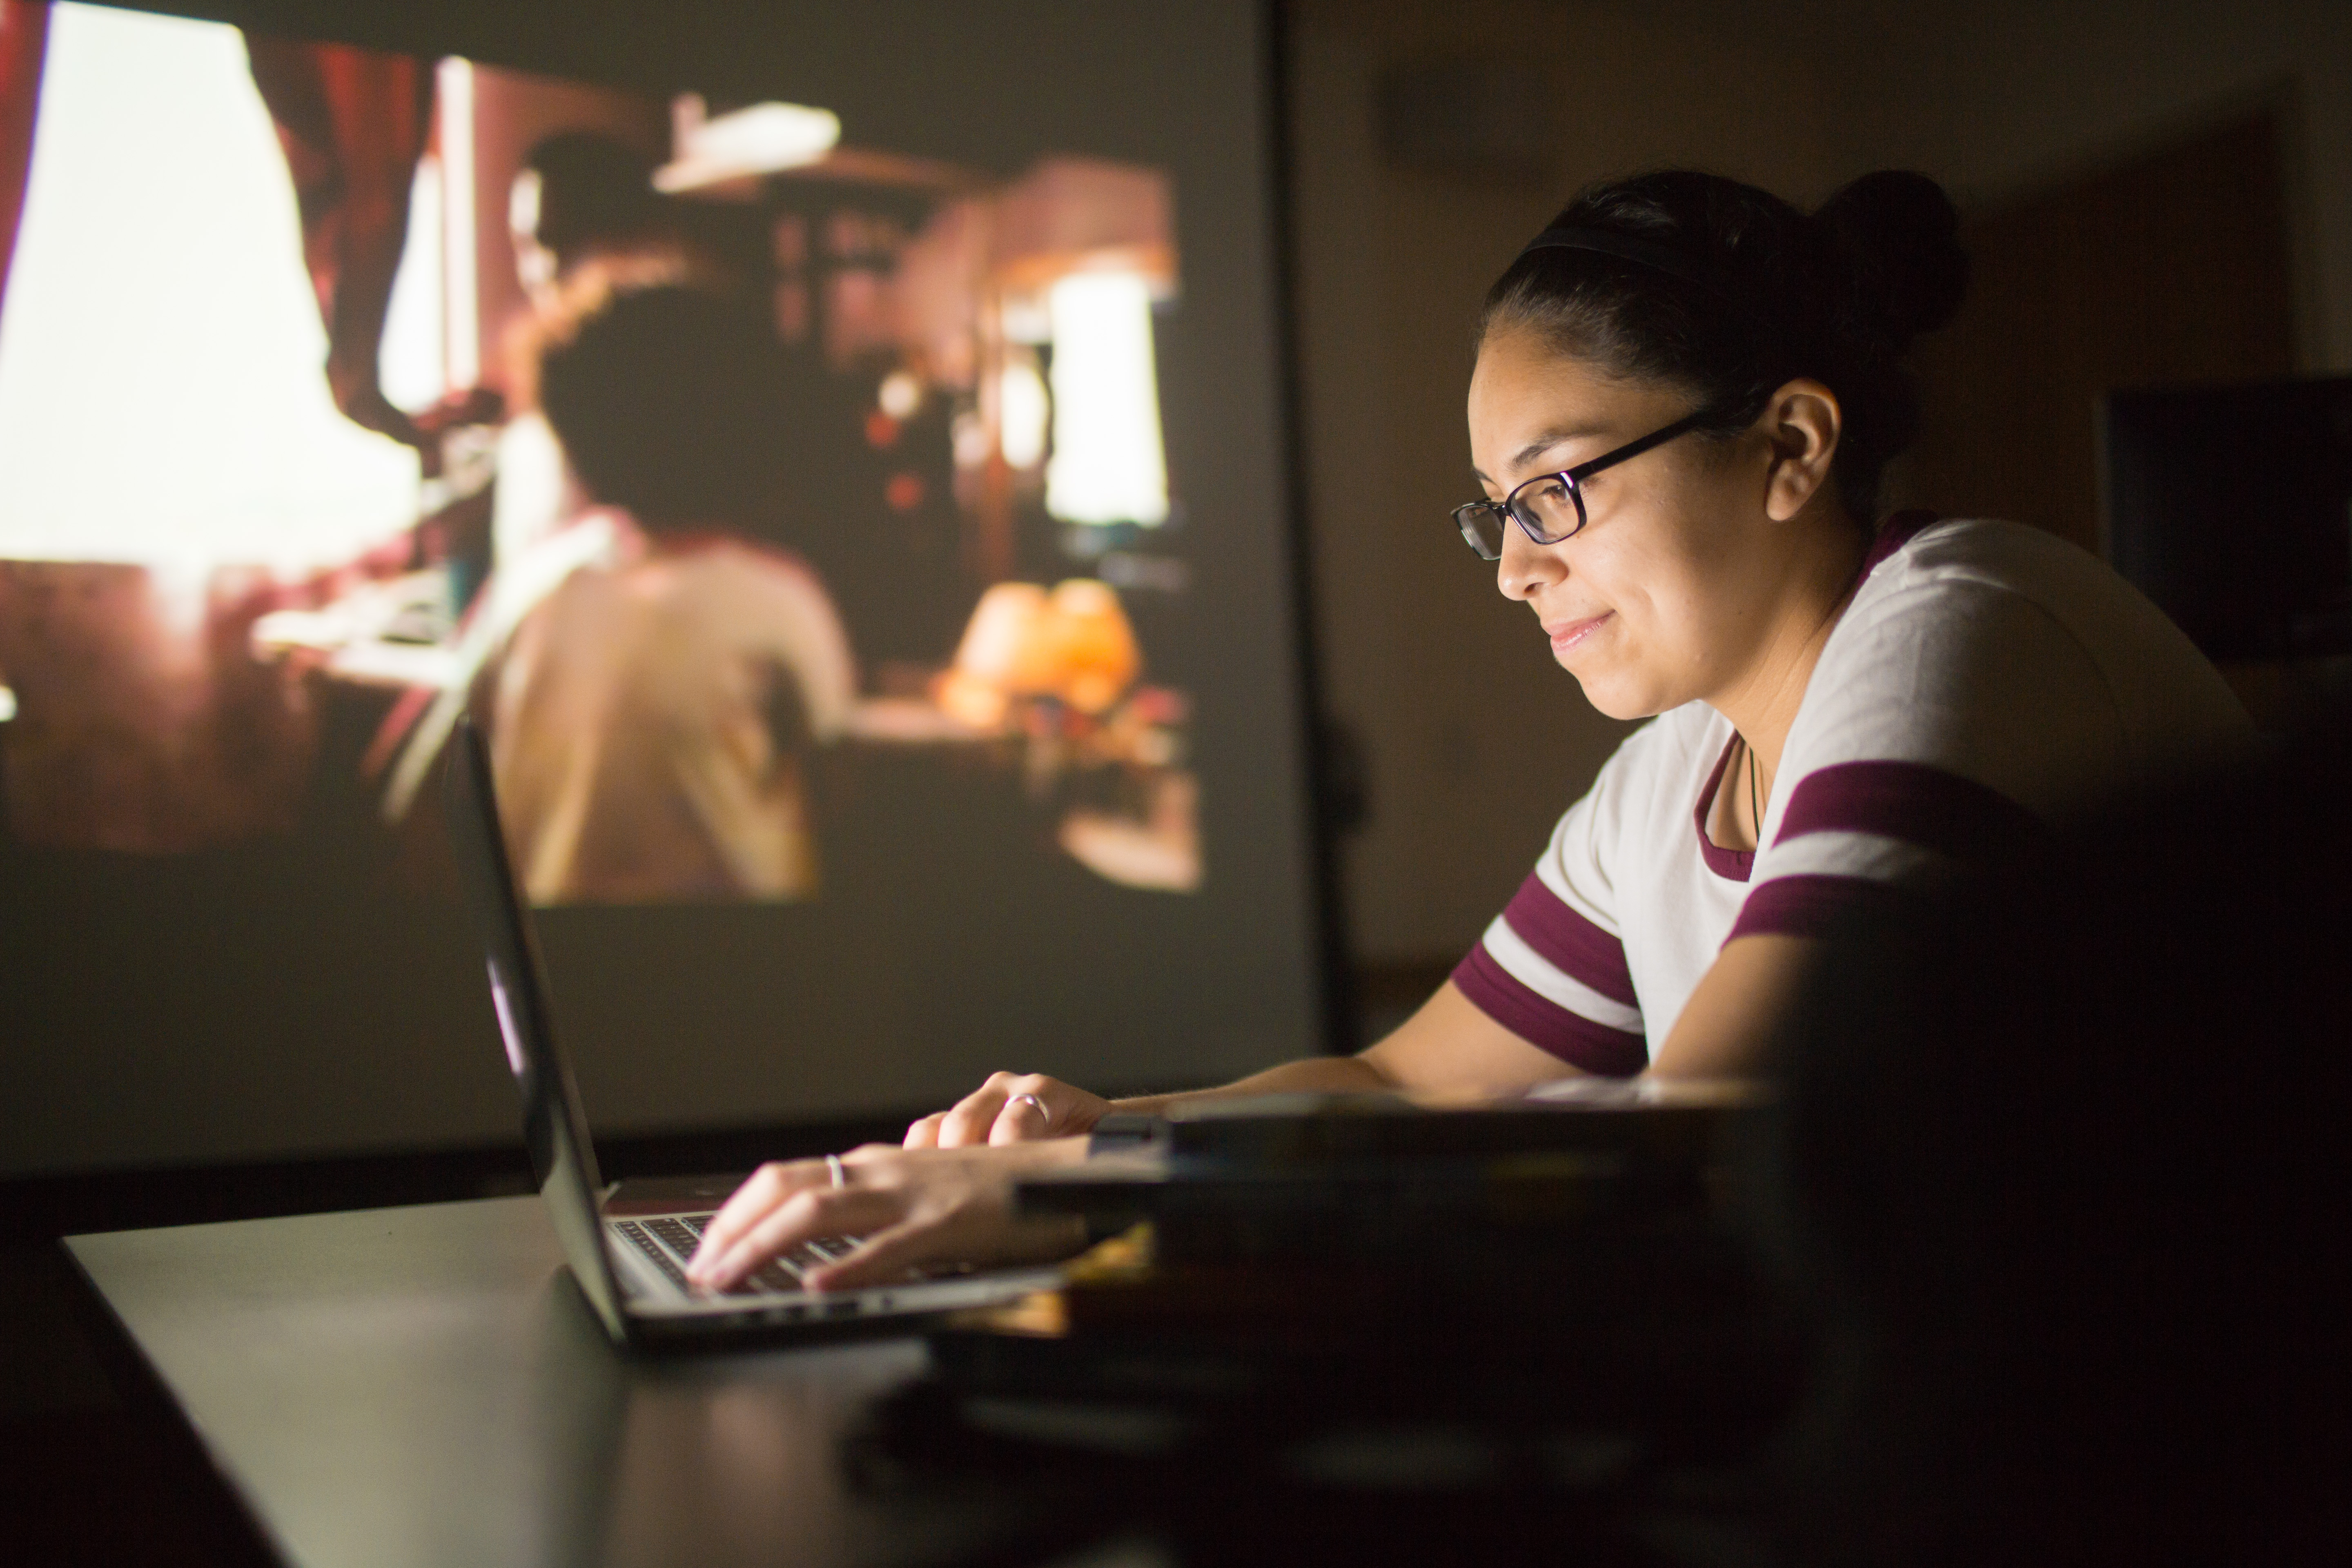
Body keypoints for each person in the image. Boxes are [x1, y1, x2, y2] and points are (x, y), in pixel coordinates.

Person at [686, 168, 2250, 1292]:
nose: (1514, 566)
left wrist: (1089, 1206)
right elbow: (1409, 1086)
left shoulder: (1954, 631)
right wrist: (1090, 1137)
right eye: (1496, 513)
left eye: (1558, 489)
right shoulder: (1669, 779)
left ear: (1787, 446)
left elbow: (1696, 1160)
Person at [490, 278, 855, 902]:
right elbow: (843, 804)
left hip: (553, 966)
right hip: (724, 966)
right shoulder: (777, 603)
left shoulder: (540, 589)